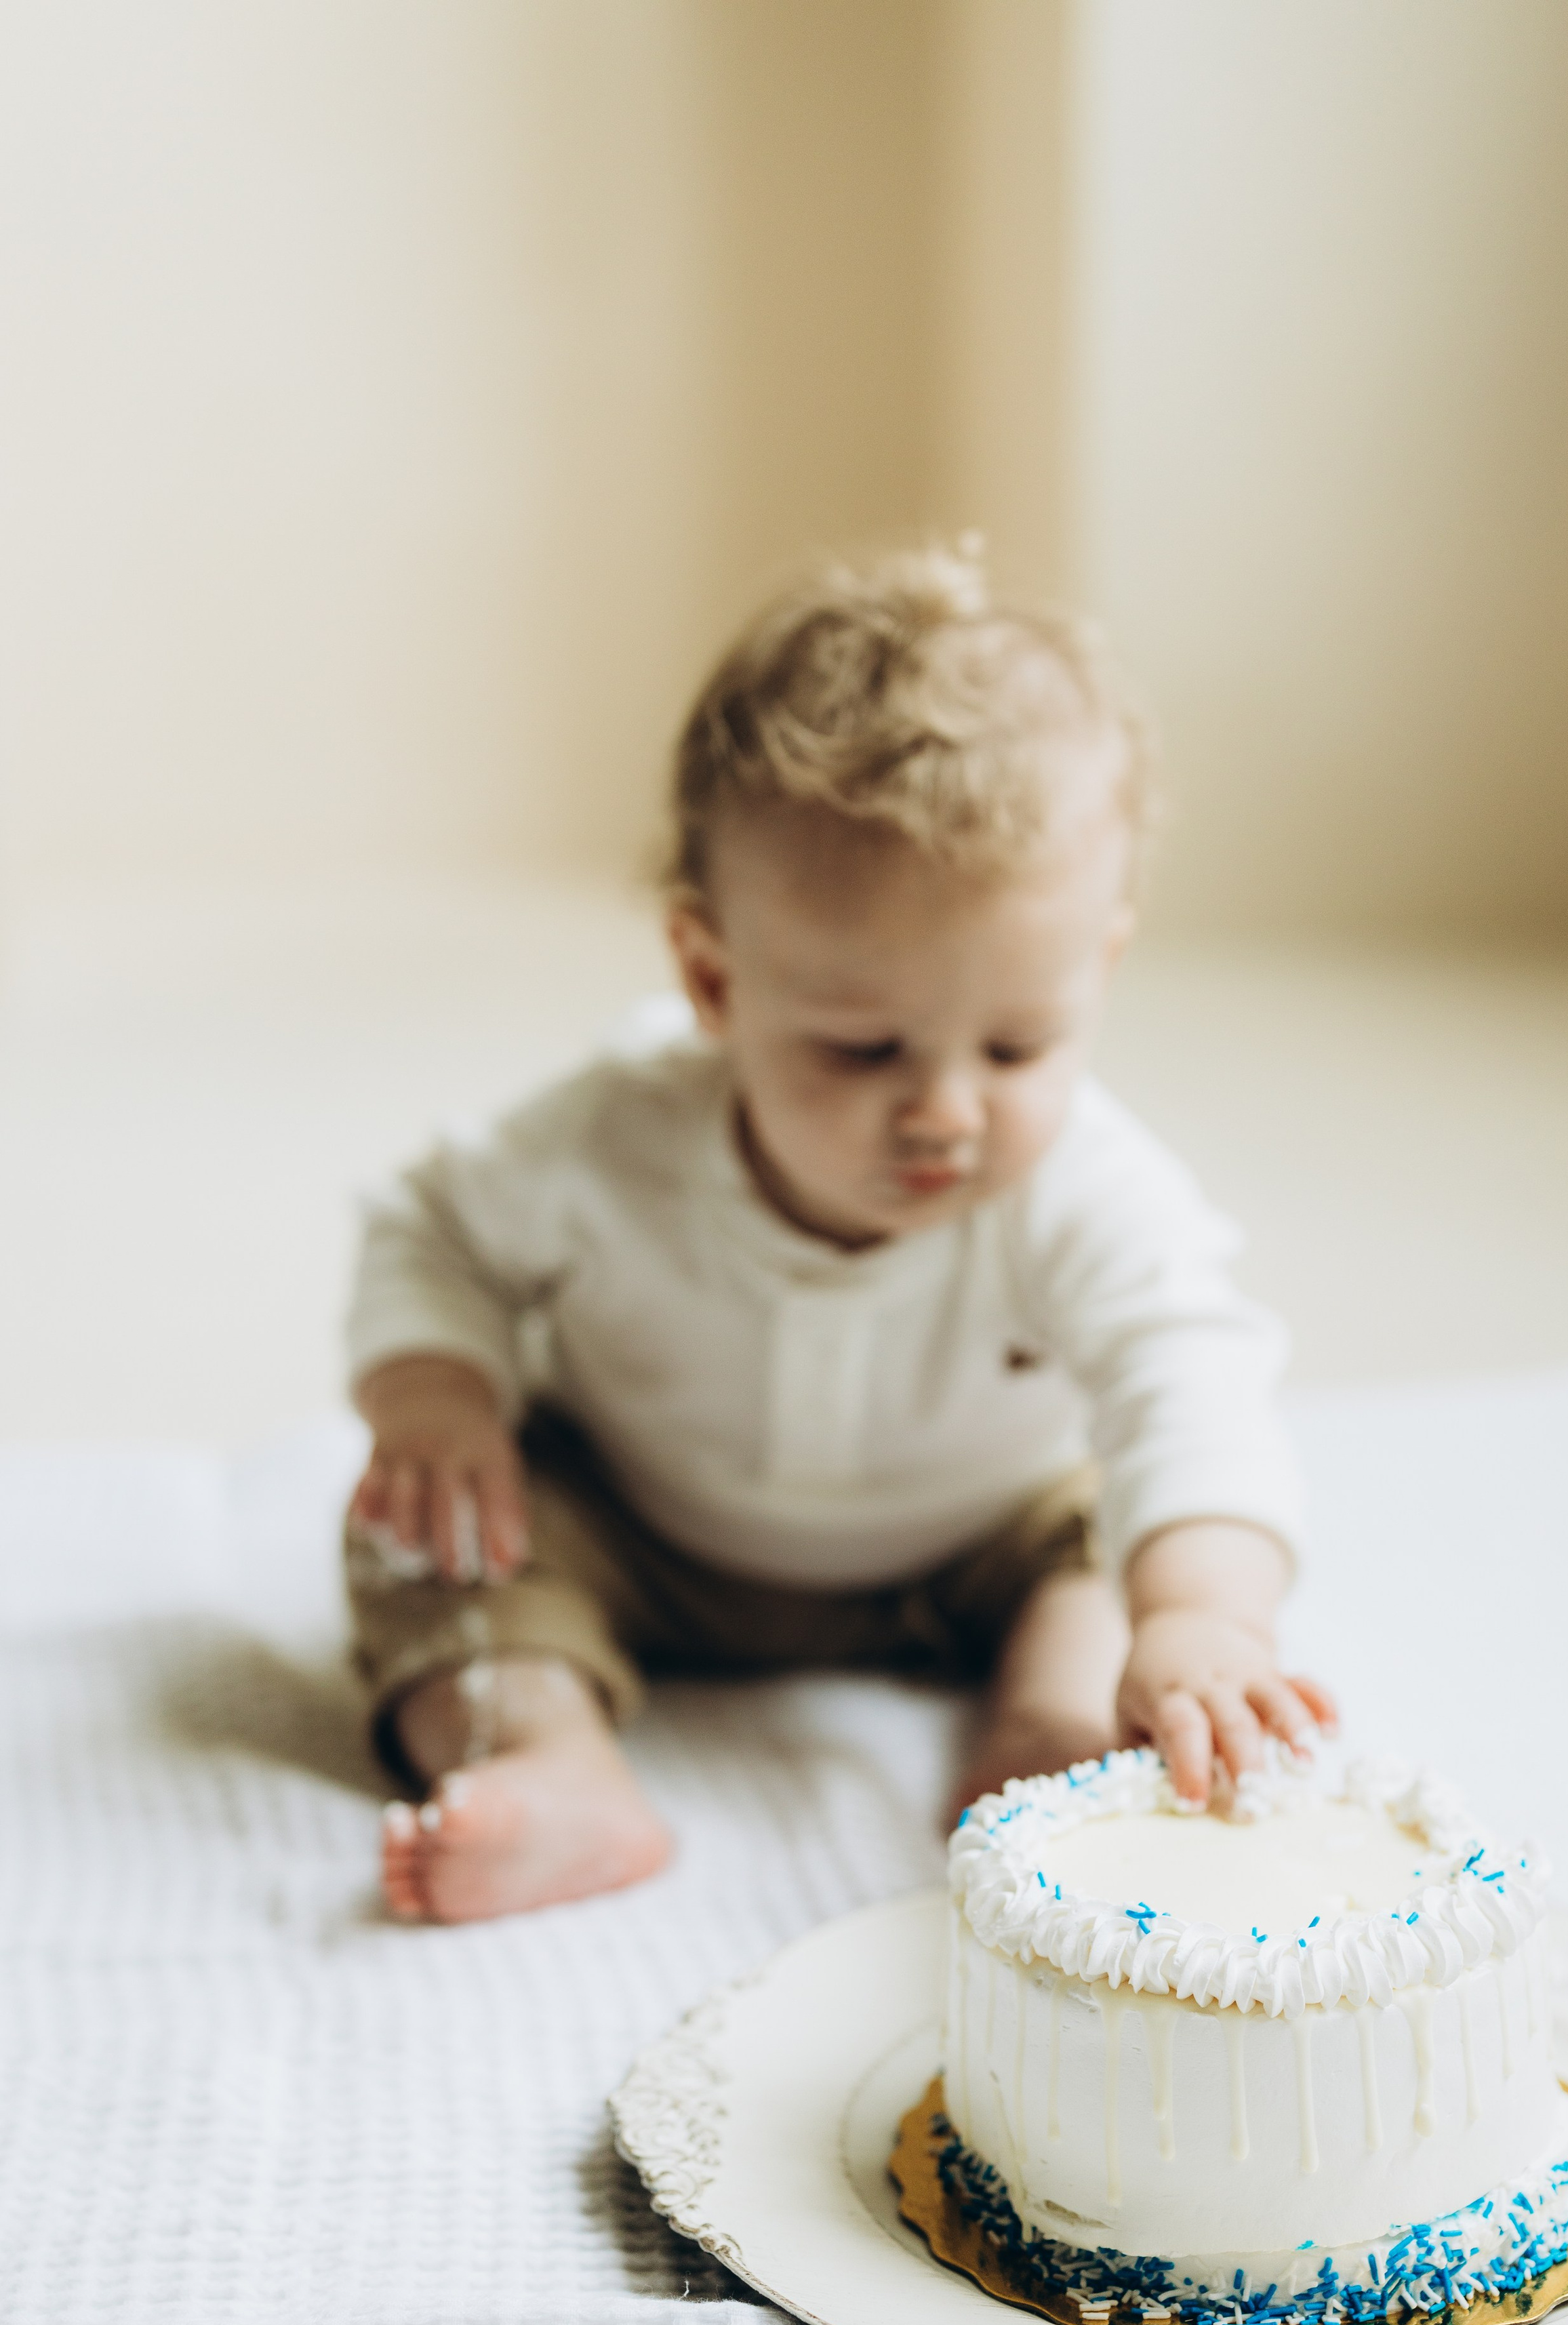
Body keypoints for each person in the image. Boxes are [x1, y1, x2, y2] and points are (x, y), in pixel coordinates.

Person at [345, 544, 1333, 1923]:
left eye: (1015, 1043)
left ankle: (1045, 1738)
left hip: (974, 1544)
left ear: (1095, 964)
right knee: (418, 1542)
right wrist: (436, 1394)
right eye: (861, 1049)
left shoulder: (1088, 1191)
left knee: (1100, 1559)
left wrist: (1202, 1620)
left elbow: (1195, 1390)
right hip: (642, 1526)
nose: (943, 1112)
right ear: (711, 975)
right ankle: (547, 1758)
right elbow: (431, 1227)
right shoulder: (609, 1135)